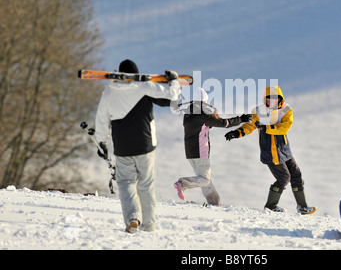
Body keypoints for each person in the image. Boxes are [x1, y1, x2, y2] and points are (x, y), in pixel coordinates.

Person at [95, 59, 181, 233]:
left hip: (123, 148)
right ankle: (149, 226)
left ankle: (133, 218)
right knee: (146, 185)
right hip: (145, 145)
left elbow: (101, 119)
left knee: (126, 183)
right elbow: (172, 99)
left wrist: (102, 142)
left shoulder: (109, 92)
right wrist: (173, 81)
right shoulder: (145, 87)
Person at [224, 86, 316, 214]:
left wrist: (267, 128)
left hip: (284, 149)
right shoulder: (258, 111)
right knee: (284, 178)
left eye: (273, 99)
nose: (270, 102)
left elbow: (284, 127)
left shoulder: (286, 110)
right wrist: (237, 133)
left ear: (280, 99)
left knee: (296, 174)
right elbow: (250, 125)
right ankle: (270, 206)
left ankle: (303, 207)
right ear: (265, 99)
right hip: (270, 151)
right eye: (268, 99)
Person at [174, 87, 252, 206]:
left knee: (204, 180)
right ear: (204, 101)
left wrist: (214, 115)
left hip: (190, 152)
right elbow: (223, 123)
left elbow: (204, 126)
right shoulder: (202, 113)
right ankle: (182, 183)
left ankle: (214, 203)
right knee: (205, 180)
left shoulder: (189, 113)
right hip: (200, 151)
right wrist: (241, 119)